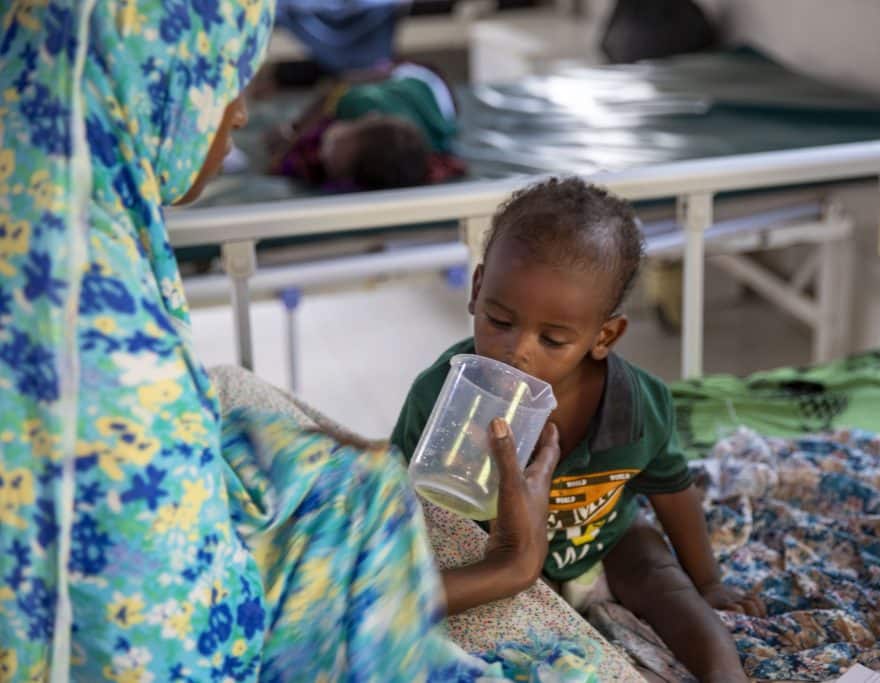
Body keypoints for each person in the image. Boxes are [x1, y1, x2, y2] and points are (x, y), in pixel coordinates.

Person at [0, 3, 588, 681]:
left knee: (338, 476)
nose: (239, 114)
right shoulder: (103, 355)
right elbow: (185, 649)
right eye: (225, 80)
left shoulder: (53, 213)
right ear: (148, 80)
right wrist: (508, 566)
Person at [392, 177, 766, 682]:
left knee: (661, 575)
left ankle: (728, 676)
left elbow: (672, 490)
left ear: (603, 336)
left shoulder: (638, 405)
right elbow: (396, 500)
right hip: (494, 561)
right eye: (499, 320)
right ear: (477, 290)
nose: (517, 351)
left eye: (552, 339)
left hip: (604, 540)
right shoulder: (442, 394)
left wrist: (709, 581)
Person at [265, 62, 463, 190]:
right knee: (372, 73)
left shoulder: (356, 104)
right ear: (369, 117)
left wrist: (294, 132)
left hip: (433, 93)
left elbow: (338, 86)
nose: (323, 153)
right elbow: (340, 86)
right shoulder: (360, 103)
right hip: (421, 78)